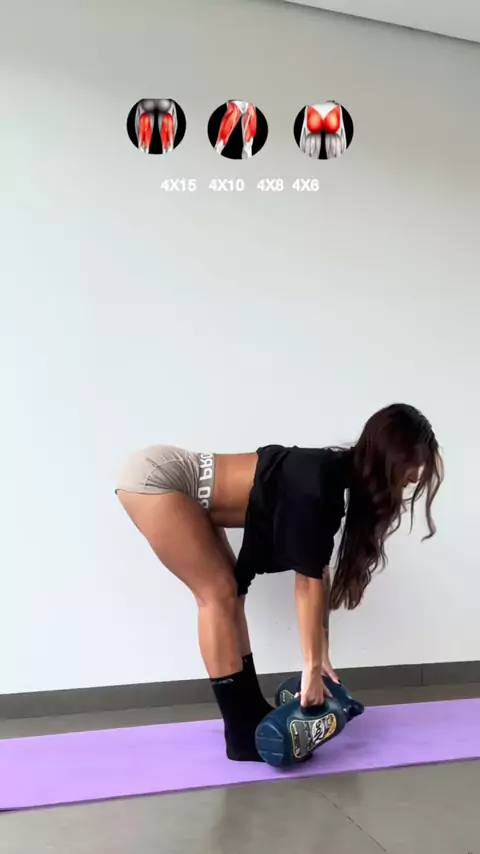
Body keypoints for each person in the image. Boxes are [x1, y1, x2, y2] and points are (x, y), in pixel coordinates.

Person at [115, 403, 443, 762]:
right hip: (158, 478)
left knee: (230, 591)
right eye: (414, 464)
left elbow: (317, 569)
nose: (416, 477)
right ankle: (240, 733)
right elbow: (307, 584)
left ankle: (251, 710)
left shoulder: (333, 478)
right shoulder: (319, 482)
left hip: (183, 485)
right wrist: (310, 671)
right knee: (217, 594)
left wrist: (322, 654)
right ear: (391, 455)